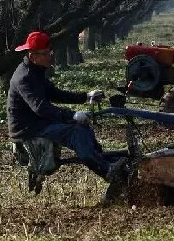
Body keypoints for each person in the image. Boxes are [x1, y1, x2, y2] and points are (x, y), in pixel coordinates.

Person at [7, 31, 126, 182]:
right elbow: (41, 107)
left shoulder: (35, 71)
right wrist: (72, 115)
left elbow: (54, 93)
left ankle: (104, 159)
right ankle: (107, 170)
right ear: (33, 56)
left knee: (83, 127)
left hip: (38, 122)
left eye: (50, 51)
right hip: (28, 129)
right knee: (76, 133)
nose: (50, 55)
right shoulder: (25, 77)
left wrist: (85, 96)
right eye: (46, 53)